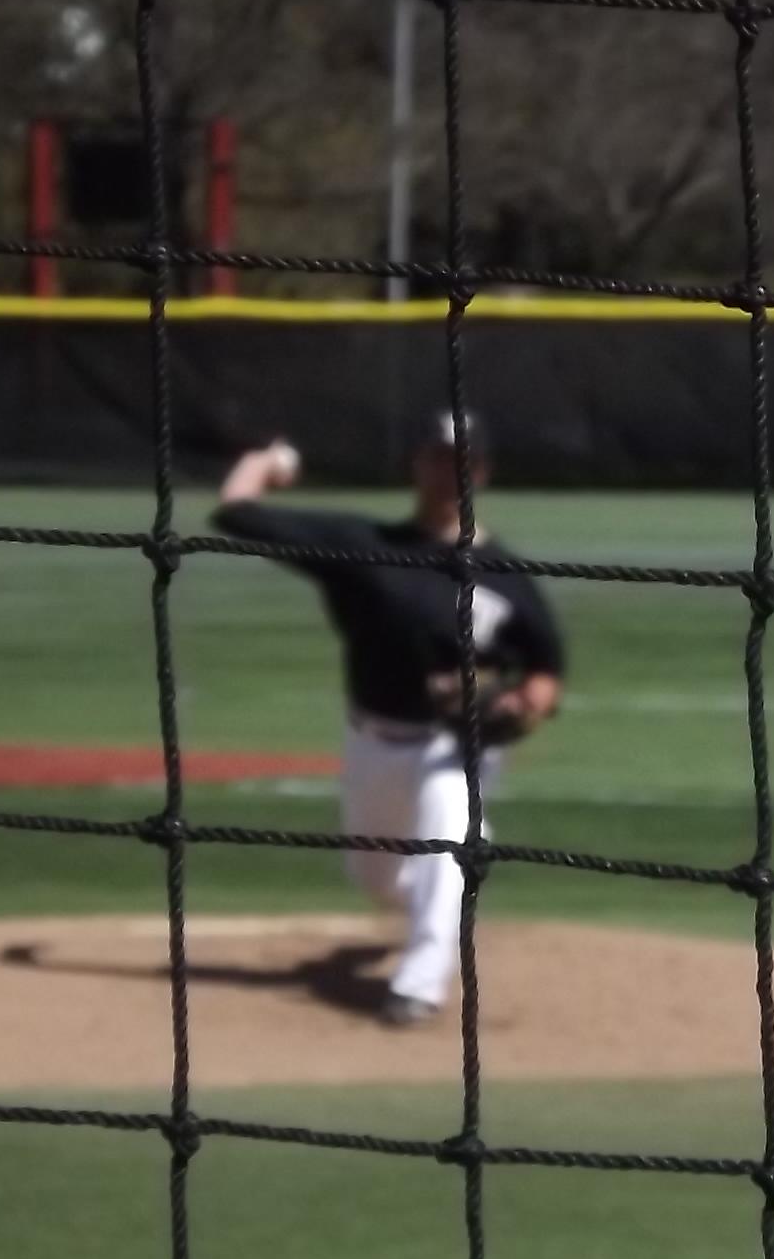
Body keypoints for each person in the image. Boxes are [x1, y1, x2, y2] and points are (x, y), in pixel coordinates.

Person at [215, 409, 564, 1026]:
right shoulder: (361, 549)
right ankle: (449, 881)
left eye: (461, 460)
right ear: (417, 464)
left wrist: (525, 705)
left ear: (481, 471)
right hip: (373, 741)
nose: (447, 471)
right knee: (377, 878)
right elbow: (234, 513)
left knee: (445, 831)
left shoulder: (510, 579)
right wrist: (260, 464)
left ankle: (418, 984)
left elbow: (545, 670)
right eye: (436, 457)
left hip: (460, 746)